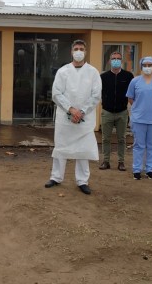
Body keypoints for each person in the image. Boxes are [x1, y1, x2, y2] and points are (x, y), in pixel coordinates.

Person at [44, 39, 102, 195]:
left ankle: (82, 181)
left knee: (83, 150)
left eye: (81, 48)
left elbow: (96, 96)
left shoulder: (93, 72)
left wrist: (81, 111)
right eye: (76, 48)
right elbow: (56, 93)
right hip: (65, 117)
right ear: (71, 51)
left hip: (85, 118)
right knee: (61, 147)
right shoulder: (63, 71)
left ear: (85, 51)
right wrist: (70, 109)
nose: (78, 51)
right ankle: (56, 177)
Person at [126, 56, 152, 180]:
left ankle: (149, 169)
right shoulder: (135, 81)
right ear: (141, 66)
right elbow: (130, 98)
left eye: (150, 65)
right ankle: (137, 170)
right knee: (139, 145)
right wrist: (139, 108)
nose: (147, 67)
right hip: (139, 119)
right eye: (145, 65)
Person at [99, 51, 134, 171]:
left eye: (118, 58)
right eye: (113, 58)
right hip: (107, 112)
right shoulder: (103, 77)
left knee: (121, 138)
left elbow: (132, 94)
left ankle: (121, 162)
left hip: (122, 112)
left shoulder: (128, 76)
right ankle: (106, 161)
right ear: (109, 61)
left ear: (122, 61)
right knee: (105, 138)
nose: (116, 60)